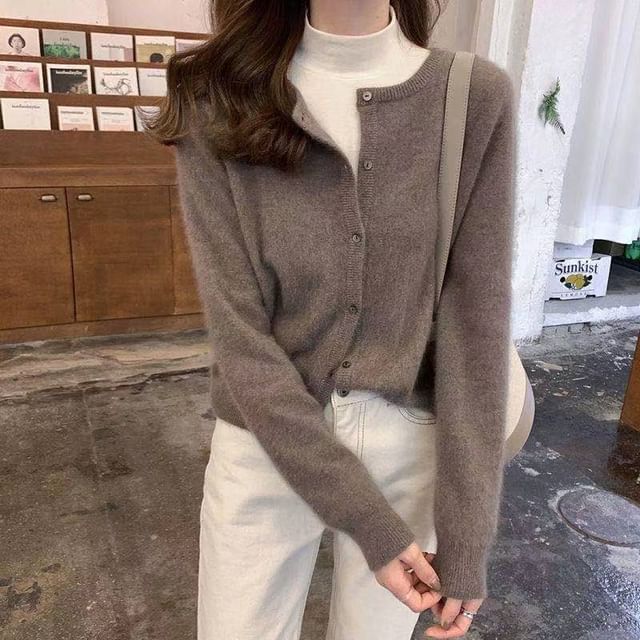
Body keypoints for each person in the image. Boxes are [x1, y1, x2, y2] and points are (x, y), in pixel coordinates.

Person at [145, 1, 515, 638]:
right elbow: (239, 336)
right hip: (264, 437)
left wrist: (467, 535)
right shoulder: (215, 97)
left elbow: (475, 327)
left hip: (405, 445)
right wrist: (365, 518)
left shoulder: (473, 98)